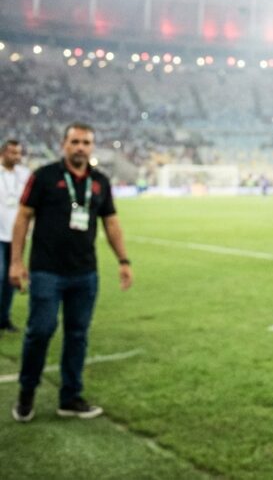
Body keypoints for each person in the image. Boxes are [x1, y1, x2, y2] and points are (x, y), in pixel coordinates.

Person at [9, 122, 134, 423]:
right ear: (64, 144)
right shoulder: (44, 176)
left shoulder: (100, 182)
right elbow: (23, 218)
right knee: (40, 330)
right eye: (75, 141)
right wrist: (16, 261)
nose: (80, 147)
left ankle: (70, 397)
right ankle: (27, 392)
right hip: (46, 271)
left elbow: (112, 223)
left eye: (86, 142)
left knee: (77, 335)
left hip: (84, 273)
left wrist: (124, 260)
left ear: (92, 147)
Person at [0, 139, 30, 333]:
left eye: (19, 153)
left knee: (11, 279)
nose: (17, 157)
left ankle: (4, 319)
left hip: (17, 236)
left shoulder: (25, 175)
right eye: (13, 153)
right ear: (3, 153)